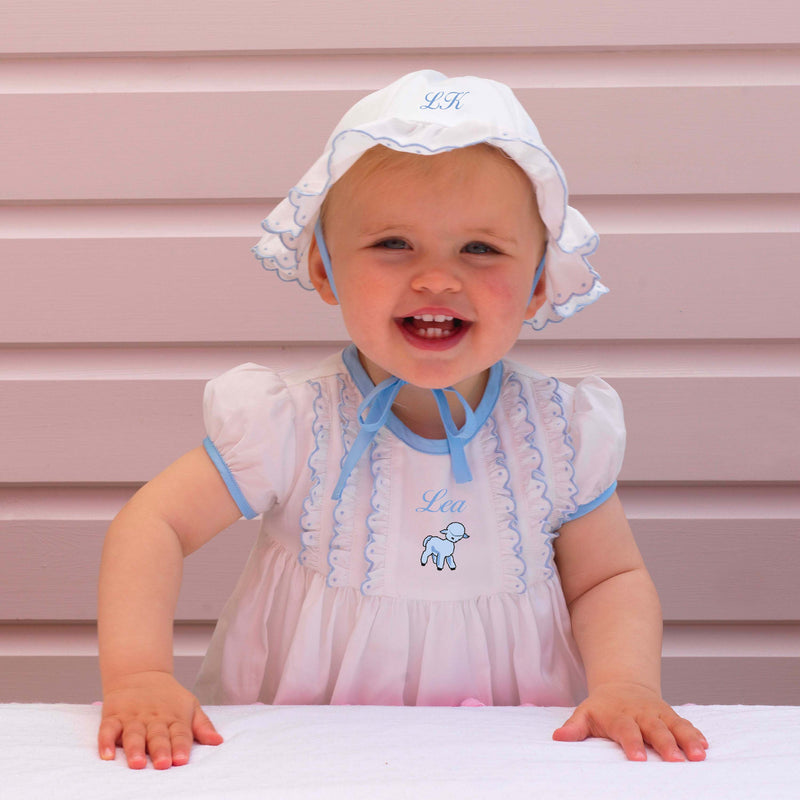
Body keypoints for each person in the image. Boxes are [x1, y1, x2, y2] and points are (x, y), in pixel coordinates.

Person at [97, 70, 709, 770]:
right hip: (304, 753)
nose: (437, 278)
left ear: (540, 282)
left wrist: (626, 684)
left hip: (509, 751)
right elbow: (155, 524)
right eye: (393, 243)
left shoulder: (556, 433)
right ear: (325, 270)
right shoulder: (291, 423)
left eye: (480, 249)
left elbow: (607, 579)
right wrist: (140, 675)